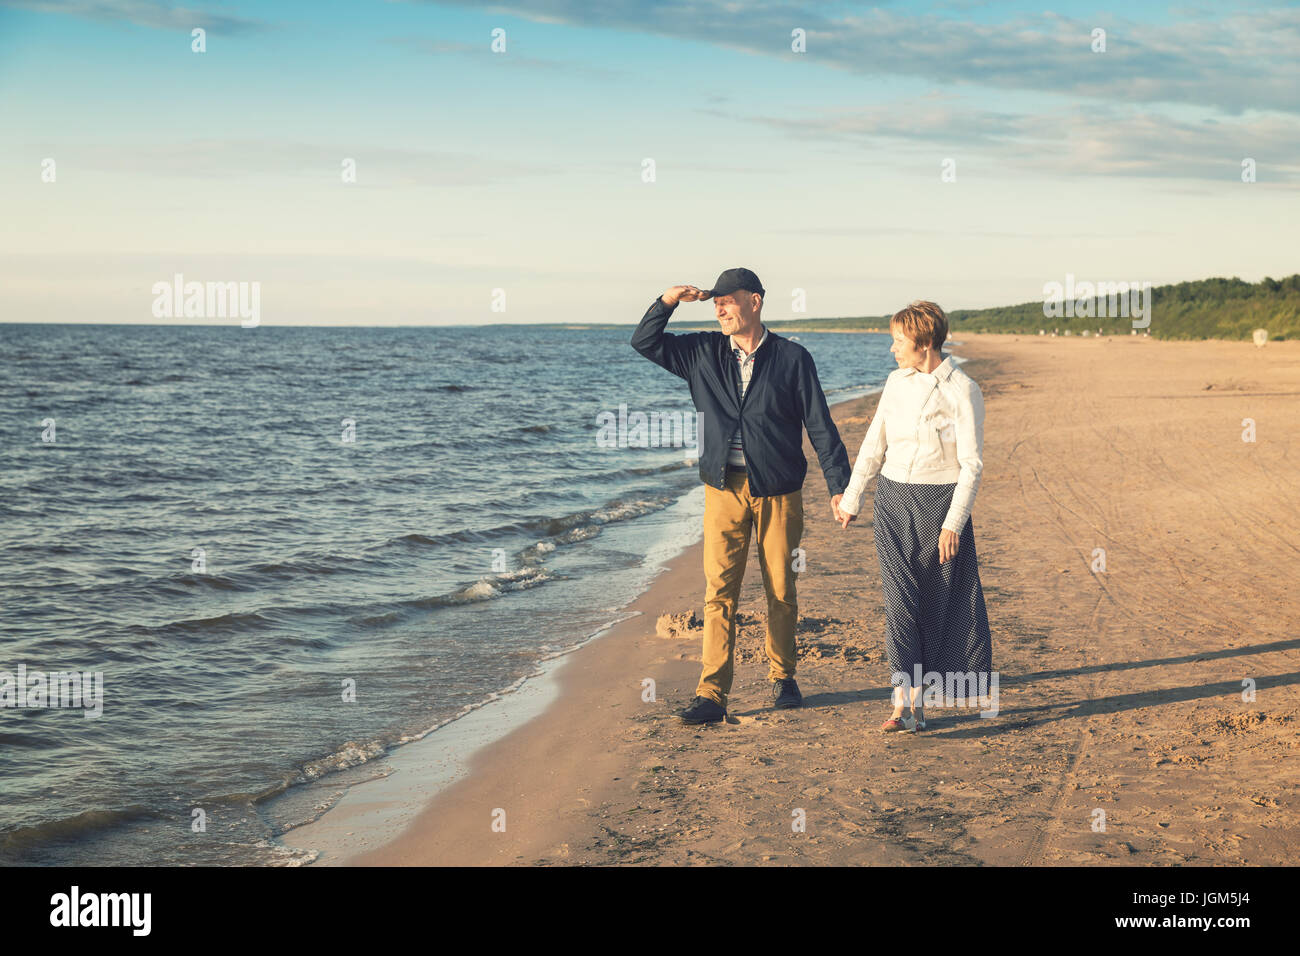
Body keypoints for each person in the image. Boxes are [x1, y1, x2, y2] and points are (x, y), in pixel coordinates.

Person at [632, 268, 853, 724]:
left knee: (780, 589)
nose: (719, 308)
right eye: (715, 302)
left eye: (728, 300)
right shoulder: (700, 352)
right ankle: (712, 694)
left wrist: (839, 487)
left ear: (754, 301)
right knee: (719, 593)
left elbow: (819, 425)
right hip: (723, 490)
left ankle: (783, 677)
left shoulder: (793, 358)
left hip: (778, 492)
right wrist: (668, 300)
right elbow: (645, 342)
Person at [837, 301, 992, 732]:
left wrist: (952, 524)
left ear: (924, 344)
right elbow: (874, 444)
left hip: (939, 505)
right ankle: (901, 703)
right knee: (899, 603)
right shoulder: (895, 383)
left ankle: (922, 702)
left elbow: (973, 465)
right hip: (891, 501)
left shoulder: (963, 390)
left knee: (937, 605)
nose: (892, 349)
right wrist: (852, 499)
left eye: (899, 342)